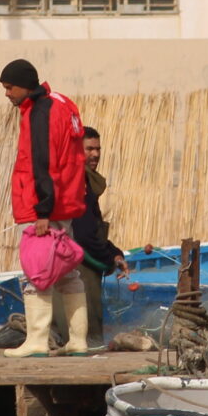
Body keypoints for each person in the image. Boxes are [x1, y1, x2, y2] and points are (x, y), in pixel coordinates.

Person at [0, 58, 90, 357]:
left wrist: (42, 212)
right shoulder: (61, 102)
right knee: (67, 273)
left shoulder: (41, 112)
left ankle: (37, 340)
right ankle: (78, 340)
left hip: (44, 205)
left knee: (36, 272)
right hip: (64, 202)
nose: (7, 94)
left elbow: (43, 163)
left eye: (10, 87)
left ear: (25, 84)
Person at [68, 125, 123, 350]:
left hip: (83, 260)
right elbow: (84, 234)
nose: (96, 154)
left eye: (98, 149)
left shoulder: (87, 182)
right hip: (79, 264)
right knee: (86, 323)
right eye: (89, 149)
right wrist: (109, 257)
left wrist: (113, 253)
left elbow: (91, 227)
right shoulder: (76, 183)